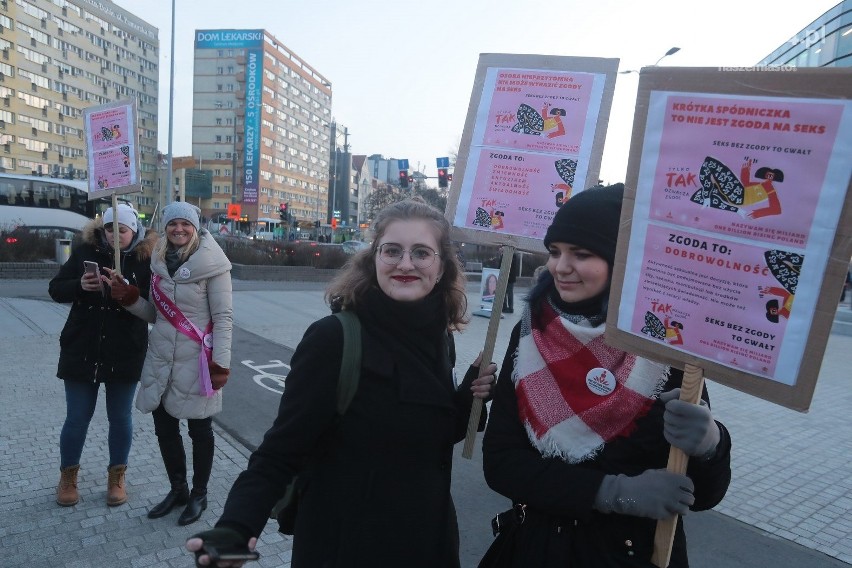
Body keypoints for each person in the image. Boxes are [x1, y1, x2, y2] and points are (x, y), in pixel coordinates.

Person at [186, 198, 497, 567]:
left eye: (422, 253)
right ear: (374, 258)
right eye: (392, 250)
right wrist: (235, 527)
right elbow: (280, 451)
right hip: (348, 547)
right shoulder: (333, 339)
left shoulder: (439, 338)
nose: (406, 264)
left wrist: (470, 397)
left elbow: (433, 439)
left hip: (428, 542)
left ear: (442, 265)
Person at [481, 184, 732, 567]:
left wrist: (711, 446)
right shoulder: (534, 332)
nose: (560, 267)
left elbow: (703, 495)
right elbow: (501, 462)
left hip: (633, 554)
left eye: (581, 254)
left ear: (623, 261)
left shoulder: (666, 344)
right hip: (539, 549)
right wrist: (613, 492)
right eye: (555, 252)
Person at [115, 202, 233, 526]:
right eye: (172, 224)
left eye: (185, 224)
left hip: (197, 361)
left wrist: (221, 362)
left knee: (200, 429)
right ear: (165, 227)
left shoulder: (214, 266)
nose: (178, 229)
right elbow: (156, 315)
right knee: (165, 429)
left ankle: (199, 494)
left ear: (195, 227)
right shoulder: (158, 264)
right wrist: (130, 300)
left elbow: (223, 318)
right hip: (161, 358)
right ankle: (178, 489)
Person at [48, 203, 157, 507]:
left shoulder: (146, 260)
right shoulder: (85, 252)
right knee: (77, 417)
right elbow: (56, 289)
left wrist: (132, 295)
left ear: (134, 229)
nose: (115, 235)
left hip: (125, 349)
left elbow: (155, 310)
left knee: (120, 418)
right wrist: (81, 286)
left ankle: (116, 477)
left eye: (122, 229)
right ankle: (68, 476)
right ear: (102, 230)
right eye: (110, 229)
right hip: (82, 347)